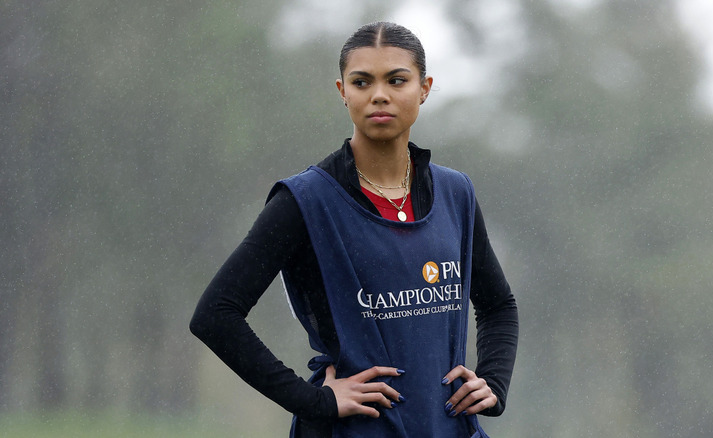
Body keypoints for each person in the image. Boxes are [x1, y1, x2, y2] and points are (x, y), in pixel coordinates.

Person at [190, 21, 518, 438]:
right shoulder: (304, 200)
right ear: (343, 92)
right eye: (362, 82)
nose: (379, 94)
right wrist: (313, 402)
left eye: (396, 80)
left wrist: (492, 382)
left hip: (449, 429)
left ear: (425, 87)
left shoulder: (456, 192)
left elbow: (498, 305)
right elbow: (215, 316)